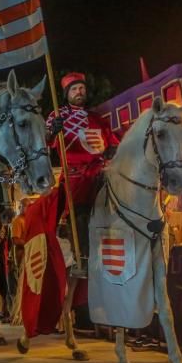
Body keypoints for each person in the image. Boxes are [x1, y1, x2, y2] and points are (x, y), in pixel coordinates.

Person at [45, 72, 119, 275]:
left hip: (100, 173)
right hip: (75, 176)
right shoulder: (57, 116)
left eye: (82, 88)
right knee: (80, 209)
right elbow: (45, 141)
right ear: (66, 93)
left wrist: (112, 150)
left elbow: (112, 144)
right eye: (74, 89)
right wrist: (52, 132)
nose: (79, 92)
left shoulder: (97, 119)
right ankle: (83, 257)